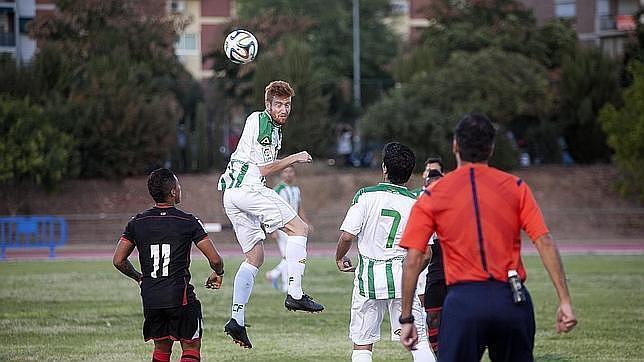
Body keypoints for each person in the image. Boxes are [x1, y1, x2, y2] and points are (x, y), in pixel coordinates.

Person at [397, 114, 577, 361]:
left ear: (455, 146)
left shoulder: (433, 194)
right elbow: (544, 241)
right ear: (491, 148)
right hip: (511, 298)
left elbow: (414, 258)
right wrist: (564, 301)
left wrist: (406, 317)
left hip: (463, 301)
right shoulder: (516, 187)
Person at [217, 80, 324, 349]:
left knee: (255, 257)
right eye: (278, 104)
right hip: (248, 188)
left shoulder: (273, 128)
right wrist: (295, 157)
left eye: (287, 105)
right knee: (300, 229)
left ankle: (236, 320)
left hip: (231, 194)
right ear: (268, 105)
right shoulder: (263, 122)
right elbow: (264, 169)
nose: (283, 109)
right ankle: (295, 293)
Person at [335, 142, 436, 362]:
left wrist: (339, 257)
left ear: (384, 168)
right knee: (419, 345)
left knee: (362, 345)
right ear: (410, 174)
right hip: (403, 280)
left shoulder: (365, 196)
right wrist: (415, 272)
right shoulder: (416, 203)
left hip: (368, 281)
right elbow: (427, 253)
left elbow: (347, 236)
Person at [113, 168, 225, 362]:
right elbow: (215, 259)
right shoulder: (188, 221)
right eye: (178, 185)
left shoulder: (136, 222)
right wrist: (219, 271)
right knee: (191, 346)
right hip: (179, 297)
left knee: (161, 349)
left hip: (151, 298)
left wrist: (139, 278)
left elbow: (118, 260)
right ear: (173, 191)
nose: (180, 189)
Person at [265, 166, 312, 293]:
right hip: (283, 228)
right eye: (286, 171)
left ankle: (276, 276)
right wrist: (273, 229)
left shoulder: (296, 189)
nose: (289, 174)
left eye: (291, 171)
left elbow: (299, 207)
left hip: (296, 228)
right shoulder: (278, 190)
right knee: (289, 256)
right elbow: (272, 209)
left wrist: (306, 222)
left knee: (292, 255)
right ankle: (283, 282)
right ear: (281, 174)